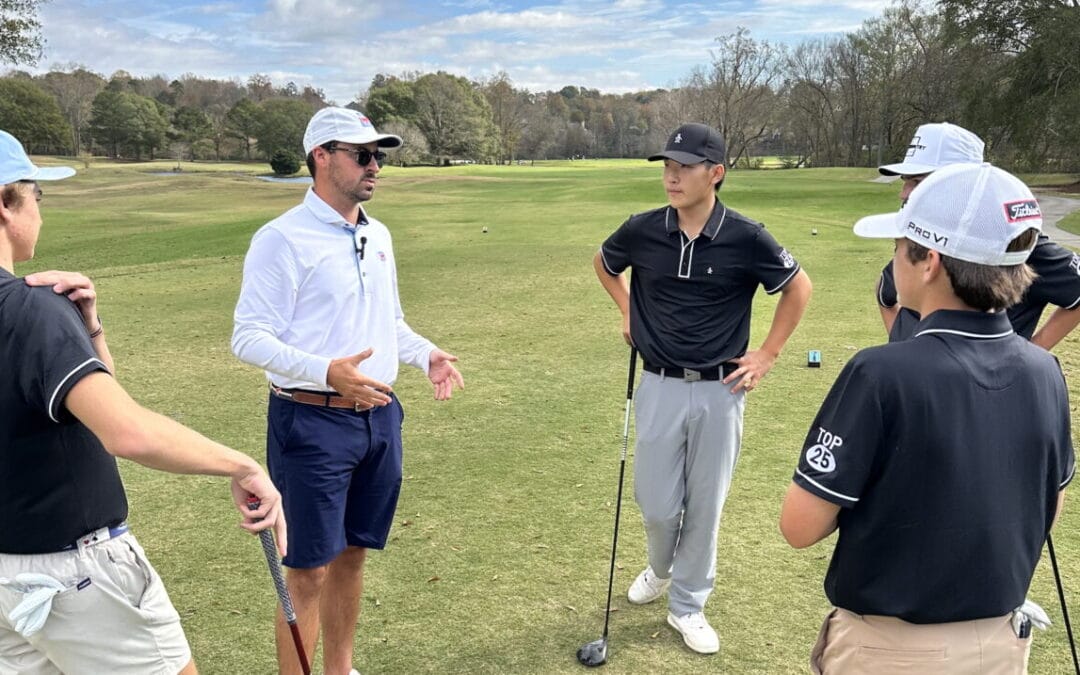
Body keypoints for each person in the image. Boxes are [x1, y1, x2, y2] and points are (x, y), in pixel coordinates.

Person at [0, 131, 286, 675]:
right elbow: (125, 430)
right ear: (5, 204)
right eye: (36, 192)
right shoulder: (34, 311)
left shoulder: (43, 314)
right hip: (77, 575)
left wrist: (91, 332)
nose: (40, 205)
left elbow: (86, 402)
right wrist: (242, 464)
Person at [780, 162, 1074, 674]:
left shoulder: (879, 371)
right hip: (1000, 646)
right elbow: (1049, 508)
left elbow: (800, 525)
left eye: (898, 245)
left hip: (889, 654)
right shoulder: (1044, 370)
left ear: (929, 262)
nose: (893, 258)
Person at [232, 107, 464, 675]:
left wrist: (425, 352)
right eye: (362, 154)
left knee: (354, 553)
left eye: (378, 155)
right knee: (308, 569)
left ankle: (339, 668)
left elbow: (391, 321)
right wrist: (325, 371)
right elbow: (247, 337)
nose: (374, 166)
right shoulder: (281, 239)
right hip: (310, 421)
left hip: (379, 417)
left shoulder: (377, 234)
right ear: (321, 157)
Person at [594, 122, 812, 654]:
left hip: (720, 391)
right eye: (667, 166)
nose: (672, 176)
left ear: (715, 174)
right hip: (659, 385)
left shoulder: (746, 235)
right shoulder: (642, 229)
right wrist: (628, 310)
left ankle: (688, 604)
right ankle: (661, 566)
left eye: (684, 167)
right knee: (659, 505)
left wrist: (767, 354)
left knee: (706, 505)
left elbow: (798, 288)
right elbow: (605, 263)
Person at [874, 122, 1080, 347]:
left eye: (917, 182)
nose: (904, 194)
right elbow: (885, 292)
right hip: (907, 375)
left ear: (963, 183)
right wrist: (899, 342)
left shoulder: (1012, 242)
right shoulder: (917, 234)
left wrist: (1033, 351)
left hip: (983, 380)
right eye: (905, 182)